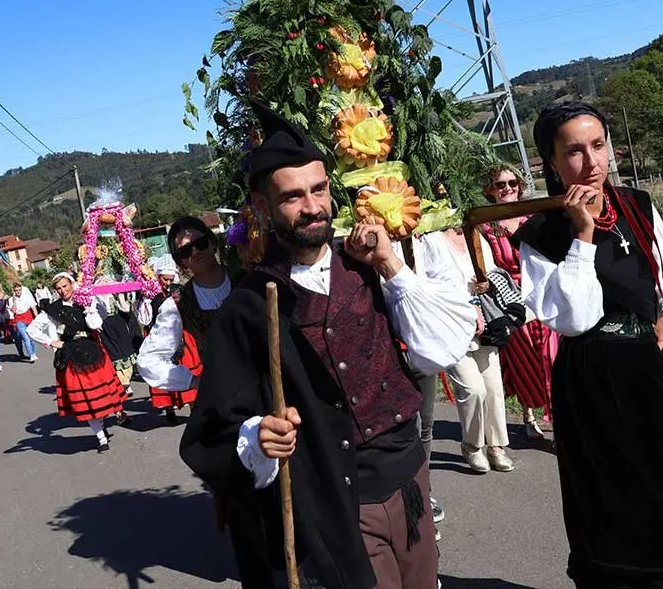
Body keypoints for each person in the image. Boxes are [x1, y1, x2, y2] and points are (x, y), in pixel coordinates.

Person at [161, 100, 476, 589]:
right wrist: (258, 437)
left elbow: (440, 350)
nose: (311, 207)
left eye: (319, 189)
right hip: (338, 503)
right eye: (292, 197)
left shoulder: (369, 265)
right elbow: (211, 432)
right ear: (262, 208)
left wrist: (391, 265)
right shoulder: (248, 307)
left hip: (409, 477)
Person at [514, 101, 663, 589]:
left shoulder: (638, 205)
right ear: (552, 163)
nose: (591, 162)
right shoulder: (540, 231)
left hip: (646, 370)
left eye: (598, 146)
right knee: (612, 498)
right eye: (575, 152)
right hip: (590, 379)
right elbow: (574, 319)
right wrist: (582, 236)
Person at [479, 165, 558, 441]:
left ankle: (557, 420)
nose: (508, 188)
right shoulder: (486, 226)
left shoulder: (533, 217)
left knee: (550, 357)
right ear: (490, 190)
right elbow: (484, 265)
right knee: (524, 360)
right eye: (501, 184)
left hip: (542, 293)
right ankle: (528, 415)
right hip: (511, 299)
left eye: (513, 183)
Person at [437, 227, 513, 474]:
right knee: (473, 390)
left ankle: (496, 446)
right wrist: (468, 304)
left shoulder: (475, 235)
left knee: (492, 388)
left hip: (487, 325)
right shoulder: (431, 241)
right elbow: (433, 285)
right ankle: (472, 446)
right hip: (454, 326)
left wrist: (486, 284)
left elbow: (492, 273)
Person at [27, 272, 127, 452]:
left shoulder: (86, 301)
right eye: (59, 288)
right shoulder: (54, 309)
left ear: (72, 285)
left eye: (65, 286)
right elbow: (32, 329)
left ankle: (102, 422)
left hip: (93, 351)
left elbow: (97, 324)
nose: (63, 291)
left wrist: (89, 307)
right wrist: (52, 342)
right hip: (72, 355)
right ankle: (101, 437)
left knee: (101, 395)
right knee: (86, 398)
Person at [137, 234, 226, 425]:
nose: (195, 251)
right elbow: (149, 353)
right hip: (176, 339)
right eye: (185, 251)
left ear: (212, 243)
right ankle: (176, 408)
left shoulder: (244, 278)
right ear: (182, 261)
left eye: (200, 243)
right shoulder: (175, 300)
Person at [98, 293, 143, 398]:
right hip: (104, 326)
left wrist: (120, 296)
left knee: (126, 352)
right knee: (114, 353)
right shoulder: (94, 296)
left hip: (119, 324)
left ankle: (126, 379)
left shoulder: (114, 294)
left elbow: (125, 309)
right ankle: (123, 383)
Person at [8, 282, 39, 363]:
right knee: (25, 338)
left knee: (31, 338)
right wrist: (14, 300)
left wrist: (37, 319)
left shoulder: (27, 297)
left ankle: (33, 352)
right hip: (19, 319)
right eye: (16, 290)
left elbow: (33, 308)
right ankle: (31, 355)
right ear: (13, 291)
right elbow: (13, 310)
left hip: (29, 317)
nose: (18, 292)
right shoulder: (11, 299)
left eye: (19, 290)